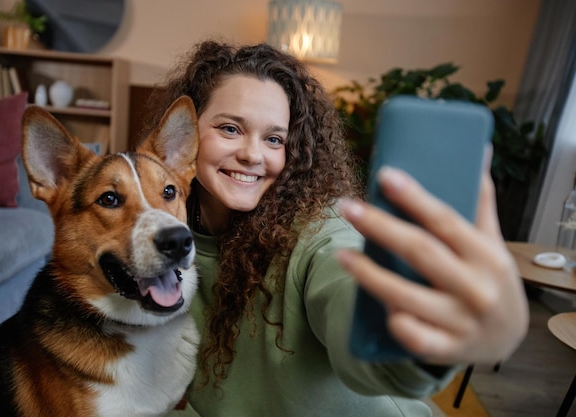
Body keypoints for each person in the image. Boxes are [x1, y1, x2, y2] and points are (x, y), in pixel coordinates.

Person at [143, 40, 529, 416]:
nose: (252, 154)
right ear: (185, 136)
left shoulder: (317, 233)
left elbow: (356, 309)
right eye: (230, 129)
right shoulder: (162, 236)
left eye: (274, 138)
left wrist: (425, 340)